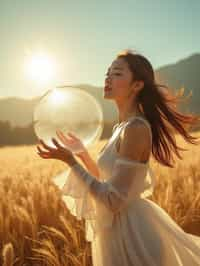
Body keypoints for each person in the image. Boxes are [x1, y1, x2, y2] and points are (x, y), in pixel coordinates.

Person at [36, 49, 200, 265]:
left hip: (134, 236)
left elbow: (113, 200)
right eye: (108, 73)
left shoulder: (136, 129)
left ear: (137, 85)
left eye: (117, 73)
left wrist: (70, 162)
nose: (108, 77)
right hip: (117, 230)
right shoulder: (121, 128)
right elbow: (106, 183)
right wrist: (82, 155)